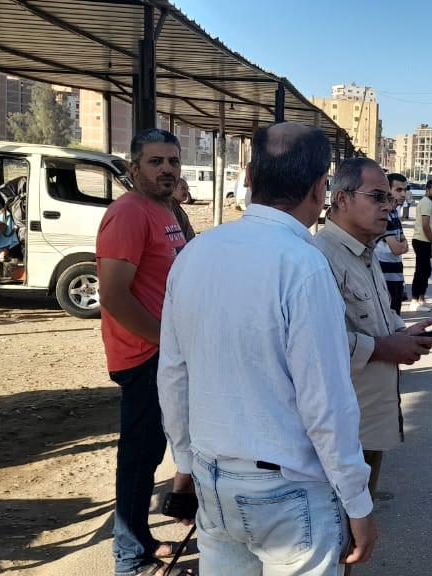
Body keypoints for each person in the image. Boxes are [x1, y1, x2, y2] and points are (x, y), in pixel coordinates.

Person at [157, 122, 378, 576]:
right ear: (320, 188)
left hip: (214, 477)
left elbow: (174, 375)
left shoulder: (195, 255)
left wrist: (185, 463)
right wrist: (358, 502)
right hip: (288, 489)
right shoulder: (305, 266)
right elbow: (326, 403)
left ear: (249, 176)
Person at [315, 158, 432, 509]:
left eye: (391, 197)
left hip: (369, 424)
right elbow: (314, 346)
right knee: (340, 526)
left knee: (357, 519)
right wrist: (384, 348)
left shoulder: (364, 254)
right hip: (340, 433)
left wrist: (403, 334)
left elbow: (375, 319)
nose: (390, 205)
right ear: (341, 198)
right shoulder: (320, 259)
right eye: (378, 197)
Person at [95, 129, 190, 576]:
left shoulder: (164, 210)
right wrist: (164, 341)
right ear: (134, 168)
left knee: (153, 452)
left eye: (173, 161)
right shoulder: (128, 213)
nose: (167, 169)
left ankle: (141, 540)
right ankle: (129, 559)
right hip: (143, 355)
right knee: (138, 457)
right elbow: (114, 295)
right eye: (155, 162)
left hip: (164, 353)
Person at [375, 173, 410, 314]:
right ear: (387, 190)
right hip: (384, 278)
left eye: (405, 190)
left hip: (396, 276)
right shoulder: (383, 214)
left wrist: (401, 244)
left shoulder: (394, 213)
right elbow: (397, 249)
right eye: (399, 190)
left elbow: (405, 245)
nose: (403, 194)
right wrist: (401, 244)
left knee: (396, 318)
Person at [409, 179, 432, 312]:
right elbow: (425, 225)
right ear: (427, 190)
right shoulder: (426, 202)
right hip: (422, 241)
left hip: (424, 241)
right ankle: (414, 301)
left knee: (426, 271)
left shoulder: (428, 202)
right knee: (421, 272)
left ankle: (421, 299)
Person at [169, 177, 196, 242]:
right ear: (173, 190)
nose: (186, 192)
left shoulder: (176, 206)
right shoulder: (171, 207)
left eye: (187, 189)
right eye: (183, 188)